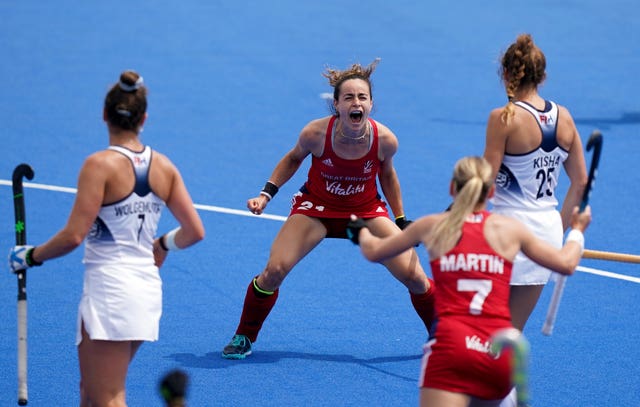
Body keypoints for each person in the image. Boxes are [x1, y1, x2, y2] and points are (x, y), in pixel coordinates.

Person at [8, 70, 205, 407]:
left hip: (111, 292)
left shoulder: (99, 165)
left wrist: (30, 256)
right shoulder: (165, 167)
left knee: (108, 399)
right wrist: (161, 244)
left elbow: (73, 236)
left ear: (104, 114)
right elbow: (194, 232)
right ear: (143, 118)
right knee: (91, 392)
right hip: (144, 291)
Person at [221, 59, 436, 359]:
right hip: (316, 210)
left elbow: (387, 174)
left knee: (415, 277)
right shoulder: (316, 134)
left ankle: (441, 335)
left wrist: (400, 219)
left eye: (362, 97)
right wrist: (265, 194)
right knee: (274, 271)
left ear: (371, 104)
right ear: (336, 105)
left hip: (365, 213)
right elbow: (293, 159)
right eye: (348, 97)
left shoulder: (385, 140)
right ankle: (244, 335)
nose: (355, 102)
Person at [348, 156, 591, 407]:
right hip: (497, 355)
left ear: (452, 188)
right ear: (492, 192)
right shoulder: (509, 229)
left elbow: (374, 251)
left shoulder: (433, 226)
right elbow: (566, 263)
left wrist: (360, 231)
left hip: (451, 349)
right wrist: (577, 231)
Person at [482, 33, 588, 331]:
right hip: (547, 233)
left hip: (505, 232)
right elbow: (580, 182)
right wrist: (557, 230)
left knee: (481, 326)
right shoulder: (564, 117)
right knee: (510, 330)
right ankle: (506, 379)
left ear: (505, 74)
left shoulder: (503, 117)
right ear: (542, 76)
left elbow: (484, 181)